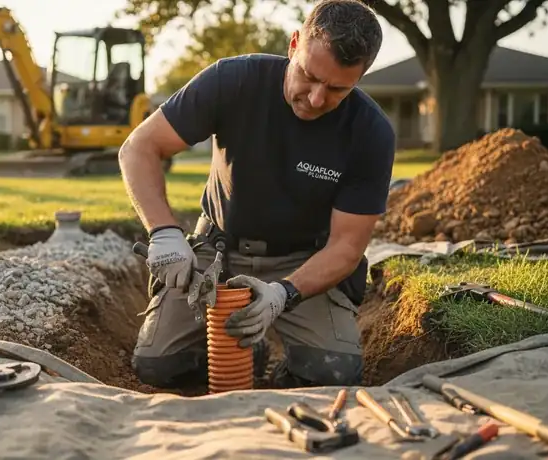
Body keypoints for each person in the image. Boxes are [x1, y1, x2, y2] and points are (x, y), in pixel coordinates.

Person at [119, 0, 395, 389]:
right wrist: (164, 232)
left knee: (332, 372)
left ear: (361, 77)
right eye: (309, 76)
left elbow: (347, 247)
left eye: (337, 89)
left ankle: (280, 376)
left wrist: (284, 293)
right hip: (216, 249)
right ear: (294, 43)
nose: (316, 99)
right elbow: (139, 148)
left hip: (305, 260)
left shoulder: (370, 133)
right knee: (159, 366)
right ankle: (242, 356)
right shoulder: (233, 81)